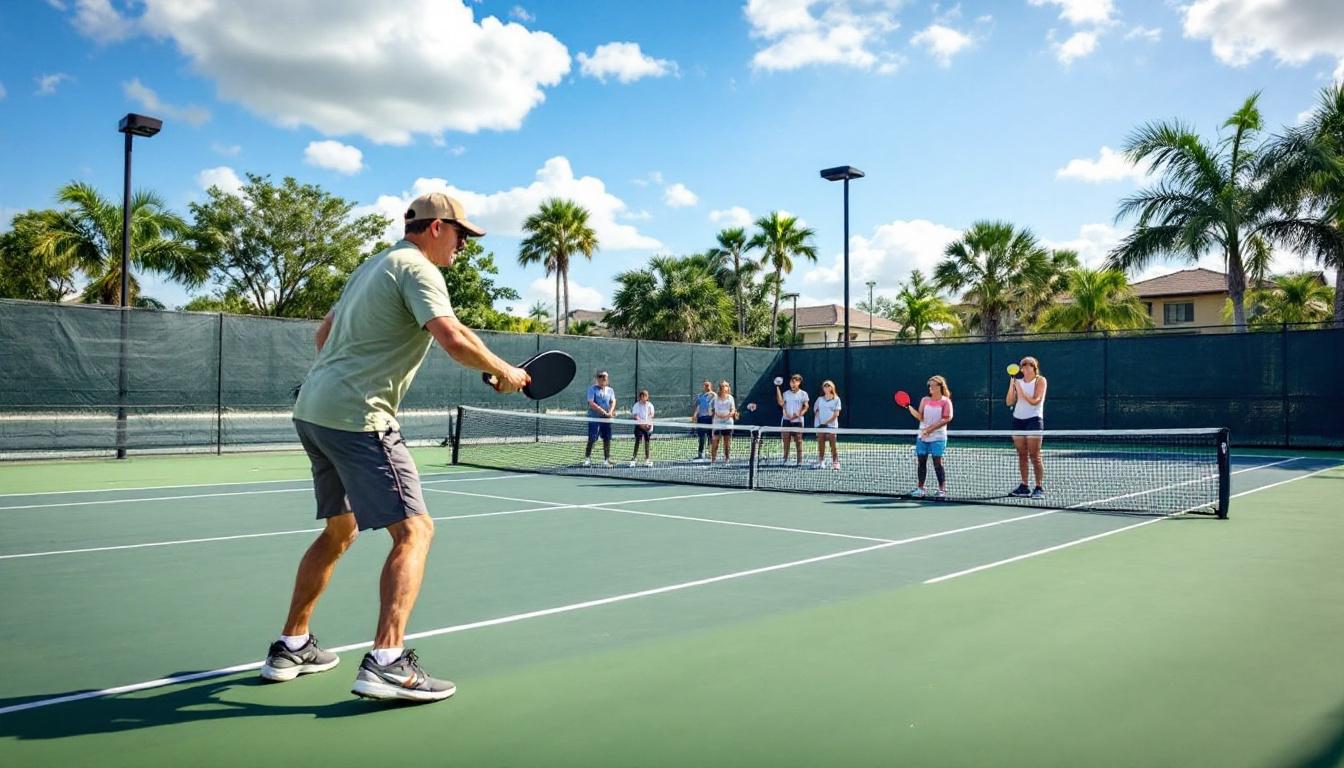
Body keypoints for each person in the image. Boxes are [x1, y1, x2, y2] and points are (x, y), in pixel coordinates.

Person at [264, 191, 528, 703]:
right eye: (460, 235)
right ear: (436, 228)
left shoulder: (373, 266)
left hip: (314, 411)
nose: (463, 245)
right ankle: (388, 661)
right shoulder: (419, 269)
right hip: (359, 418)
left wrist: (498, 367)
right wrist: (505, 371)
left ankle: (291, 645)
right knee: (415, 531)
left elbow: (323, 336)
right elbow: (452, 338)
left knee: (340, 531)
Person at [901, 375, 954, 499]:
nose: (930, 388)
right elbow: (921, 417)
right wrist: (909, 407)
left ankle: (942, 490)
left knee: (937, 463)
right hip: (922, 437)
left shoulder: (946, 401)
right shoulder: (925, 400)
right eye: (929, 385)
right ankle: (920, 489)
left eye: (933, 385)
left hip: (938, 437)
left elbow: (947, 418)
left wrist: (930, 430)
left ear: (940, 387)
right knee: (921, 462)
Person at [1006, 356, 1047, 498]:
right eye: (1022, 365)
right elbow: (1009, 402)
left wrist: (1020, 390)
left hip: (1034, 420)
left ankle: (1039, 487)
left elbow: (1035, 401)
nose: (1024, 367)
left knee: (1035, 455)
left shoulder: (1040, 380)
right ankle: (1024, 486)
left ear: (1034, 367)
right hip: (1018, 420)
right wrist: (1012, 385)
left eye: (1027, 364)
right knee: (1022, 454)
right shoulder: (1017, 382)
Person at [583, 370, 616, 467]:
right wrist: (604, 412)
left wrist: (610, 412)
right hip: (594, 419)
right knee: (592, 438)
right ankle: (587, 459)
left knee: (607, 439)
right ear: (597, 378)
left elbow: (613, 401)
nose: (603, 378)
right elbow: (591, 403)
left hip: (606, 420)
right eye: (601, 376)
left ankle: (606, 460)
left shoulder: (610, 390)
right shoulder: (592, 389)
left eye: (605, 377)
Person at [775, 374, 810, 466]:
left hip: (798, 421)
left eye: (795, 381)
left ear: (799, 382)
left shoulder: (803, 394)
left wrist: (799, 414)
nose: (793, 383)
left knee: (799, 441)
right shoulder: (786, 394)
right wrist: (777, 387)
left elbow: (806, 407)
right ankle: (785, 459)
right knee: (786, 441)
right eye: (791, 382)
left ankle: (799, 461)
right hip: (786, 420)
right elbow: (781, 403)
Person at [813, 380, 842, 470]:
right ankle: (821, 461)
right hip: (820, 426)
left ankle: (836, 462)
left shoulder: (837, 399)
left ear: (832, 388)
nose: (826, 387)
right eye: (825, 386)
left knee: (833, 445)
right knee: (821, 444)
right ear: (823, 388)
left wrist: (827, 422)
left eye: (828, 386)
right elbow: (816, 410)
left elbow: (836, 414)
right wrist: (820, 422)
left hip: (832, 426)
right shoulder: (819, 399)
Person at [708, 380, 739, 464]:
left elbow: (733, 409)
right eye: (723, 386)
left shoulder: (730, 398)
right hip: (717, 423)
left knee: (727, 442)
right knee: (715, 441)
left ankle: (727, 459)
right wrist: (715, 413)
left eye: (726, 386)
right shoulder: (715, 398)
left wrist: (728, 415)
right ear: (720, 388)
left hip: (728, 423)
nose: (725, 387)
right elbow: (711, 408)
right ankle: (713, 460)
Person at [689, 380, 715, 461]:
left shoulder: (714, 395)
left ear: (710, 386)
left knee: (711, 437)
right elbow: (698, 407)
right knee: (701, 438)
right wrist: (694, 416)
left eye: (708, 385)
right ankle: (700, 455)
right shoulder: (700, 396)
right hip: (701, 419)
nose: (706, 387)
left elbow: (715, 406)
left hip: (710, 419)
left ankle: (711, 454)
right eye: (705, 385)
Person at [630, 389, 655, 467]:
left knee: (647, 442)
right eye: (642, 396)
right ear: (640, 397)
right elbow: (636, 416)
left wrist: (648, 424)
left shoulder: (650, 405)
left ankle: (647, 459)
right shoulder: (636, 405)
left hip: (648, 426)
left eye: (645, 396)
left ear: (647, 397)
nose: (643, 398)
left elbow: (651, 416)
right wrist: (643, 425)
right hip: (639, 426)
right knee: (638, 441)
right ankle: (634, 459)